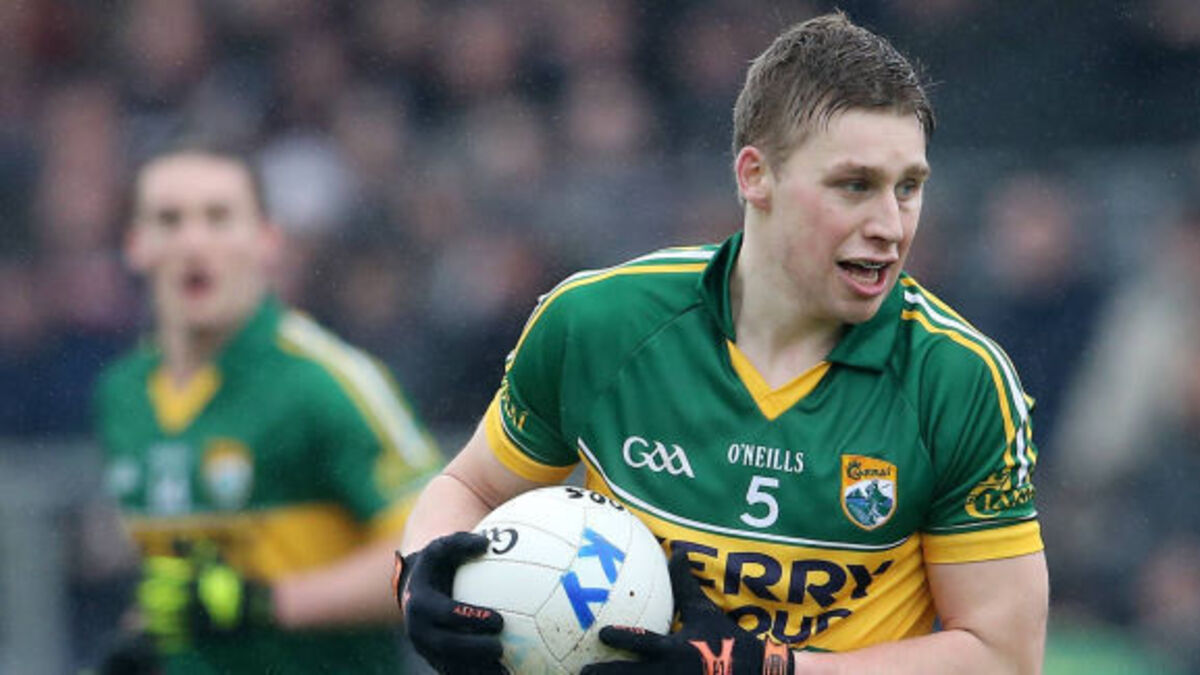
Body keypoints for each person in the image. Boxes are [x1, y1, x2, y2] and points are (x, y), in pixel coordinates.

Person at [395, 11, 1047, 675]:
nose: (891, 224)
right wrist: (419, 575)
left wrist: (770, 669)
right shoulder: (598, 323)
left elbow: (1004, 654)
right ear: (755, 175)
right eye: (855, 185)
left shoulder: (959, 380)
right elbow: (471, 486)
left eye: (909, 187)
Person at [91, 141, 444, 673]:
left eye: (218, 217)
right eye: (169, 220)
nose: (193, 241)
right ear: (135, 245)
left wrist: (265, 604)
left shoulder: (326, 381)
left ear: (267, 240)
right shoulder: (122, 393)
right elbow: (188, 585)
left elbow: (434, 555)